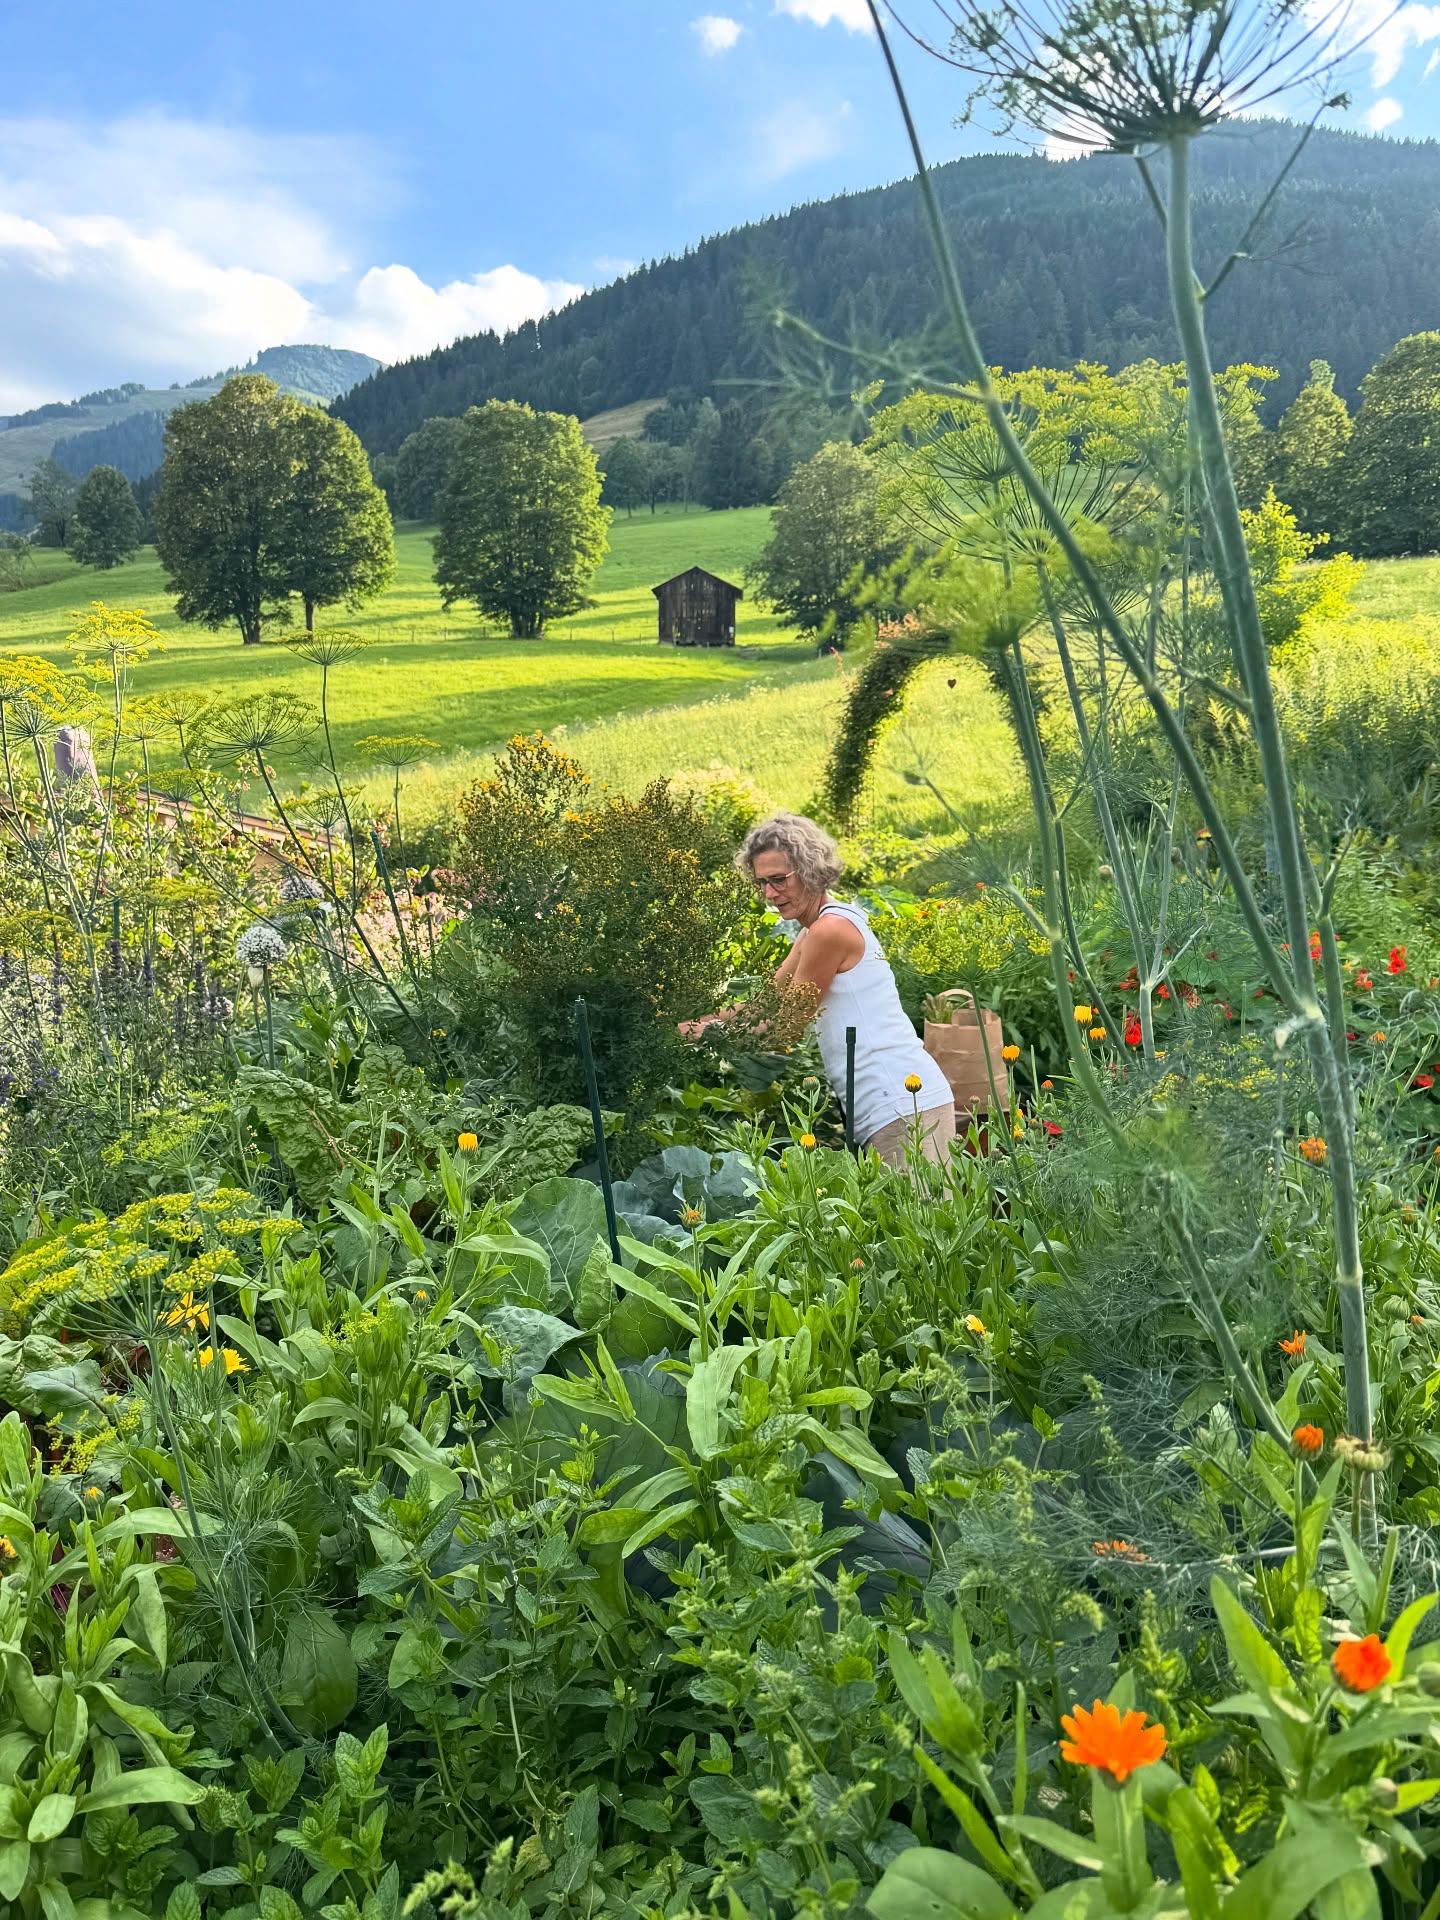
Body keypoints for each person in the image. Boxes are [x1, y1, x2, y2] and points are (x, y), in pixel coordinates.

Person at [683, 811, 956, 1168]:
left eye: (779, 879)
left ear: (810, 868)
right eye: (762, 882)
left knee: (923, 1222)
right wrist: (693, 1022)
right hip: (891, 1103)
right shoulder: (815, 930)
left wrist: (712, 1034)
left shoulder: (830, 932)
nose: (769, 893)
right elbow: (764, 1004)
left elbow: (785, 1029)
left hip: (904, 1104)